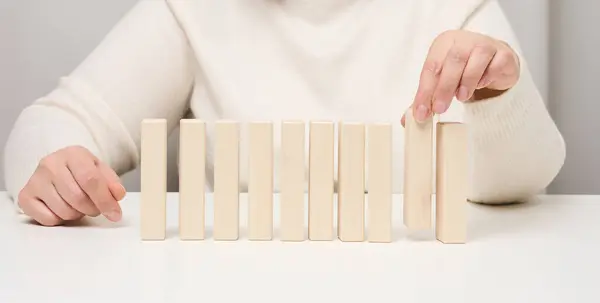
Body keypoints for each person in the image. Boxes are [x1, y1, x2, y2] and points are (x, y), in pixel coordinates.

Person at [3, 0, 566, 227]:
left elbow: (523, 180)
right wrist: (55, 163)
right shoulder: (192, 10)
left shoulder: (452, 4)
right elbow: (50, 123)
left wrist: (497, 97)